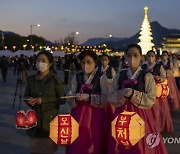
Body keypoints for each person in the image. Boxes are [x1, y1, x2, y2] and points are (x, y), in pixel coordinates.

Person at [107, 44, 167, 154]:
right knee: (121, 142)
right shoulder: (120, 75)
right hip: (122, 114)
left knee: (141, 144)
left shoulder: (147, 76)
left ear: (141, 57)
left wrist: (133, 94)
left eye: (135, 55)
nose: (132, 58)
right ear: (125, 57)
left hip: (141, 114)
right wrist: (121, 93)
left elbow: (151, 99)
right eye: (129, 55)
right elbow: (110, 96)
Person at [66, 50, 111, 154]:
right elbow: (69, 94)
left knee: (95, 141)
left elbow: (106, 97)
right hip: (79, 114)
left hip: (96, 115)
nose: (85, 65)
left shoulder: (101, 77)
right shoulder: (77, 77)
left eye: (89, 62)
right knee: (78, 142)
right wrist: (75, 97)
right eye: (83, 62)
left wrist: (90, 97)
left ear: (95, 62)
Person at [24, 51, 65, 154]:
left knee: (48, 150)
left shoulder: (56, 80)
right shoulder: (31, 79)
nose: (40, 63)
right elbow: (26, 95)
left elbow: (62, 99)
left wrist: (44, 101)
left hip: (49, 121)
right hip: (34, 121)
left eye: (43, 61)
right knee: (34, 150)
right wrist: (29, 100)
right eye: (38, 60)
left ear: (50, 64)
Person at [142, 50, 173, 132]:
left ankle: (159, 126)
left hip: (156, 91)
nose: (150, 58)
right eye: (148, 56)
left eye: (152, 56)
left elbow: (164, 77)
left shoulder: (159, 66)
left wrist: (159, 78)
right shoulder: (143, 66)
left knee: (158, 111)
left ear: (155, 57)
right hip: (146, 91)